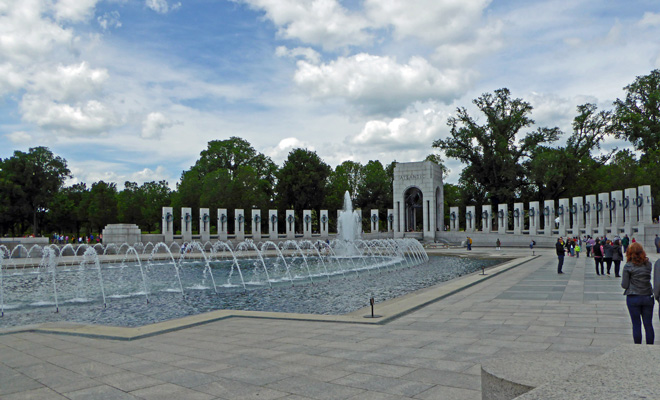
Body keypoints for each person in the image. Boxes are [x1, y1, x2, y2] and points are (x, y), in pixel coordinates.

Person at [621, 242, 654, 344]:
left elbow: (624, 285)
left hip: (633, 297)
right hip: (647, 296)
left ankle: (638, 347)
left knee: (636, 324)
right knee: (648, 324)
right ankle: (650, 346)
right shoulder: (648, 264)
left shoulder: (628, 266)